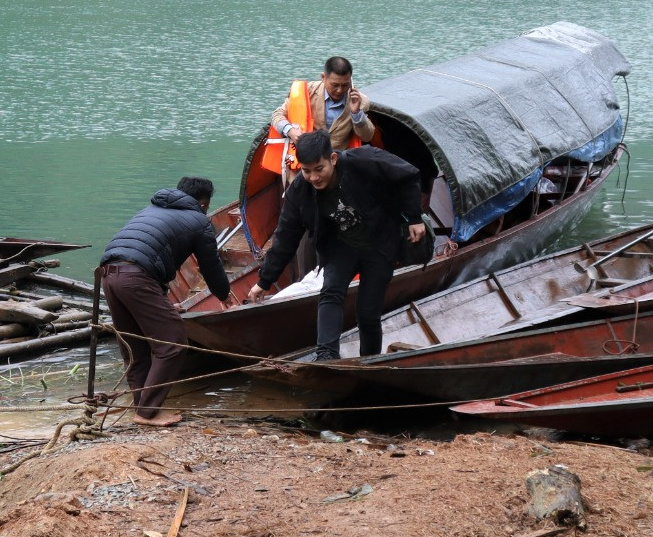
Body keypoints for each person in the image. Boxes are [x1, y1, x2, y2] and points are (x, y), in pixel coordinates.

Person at [246, 132, 427, 359]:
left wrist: (414, 218)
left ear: (332, 159)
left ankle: (368, 361)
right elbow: (286, 236)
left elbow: (408, 176)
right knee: (330, 293)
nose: (313, 177)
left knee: (368, 313)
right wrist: (265, 280)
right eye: (306, 170)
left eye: (319, 169)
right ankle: (327, 355)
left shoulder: (364, 161)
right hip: (340, 247)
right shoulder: (300, 191)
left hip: (379, 243)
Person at [98, 176, 233, 426]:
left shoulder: (152, 209)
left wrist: (162, 303)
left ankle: (141, 407)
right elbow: (210, 266)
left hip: (108, 273)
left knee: (135, 345)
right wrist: (225, 295)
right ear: (203, 204)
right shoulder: (198, 220)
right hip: (136, 277)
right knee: (172, 343)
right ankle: (148, 412)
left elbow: (147, 252)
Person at [269, 55, 377, 178]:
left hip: (338, 164)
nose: (339, 90)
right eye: (335, 85)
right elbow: (276, 115)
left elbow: (367, 136)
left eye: (345, 85)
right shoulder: (306, 91)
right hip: (304, 163)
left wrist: (356, 113)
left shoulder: (359, 100)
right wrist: (290, 131)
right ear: (323, 78)